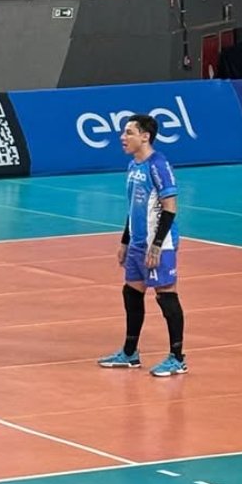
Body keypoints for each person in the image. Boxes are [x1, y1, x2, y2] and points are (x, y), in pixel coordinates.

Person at [98, 114, 188, 378]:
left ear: (145, 136)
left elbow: (170, 208)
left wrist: (157, 245)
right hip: (137, 243)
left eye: (128, 133)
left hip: (159, 244)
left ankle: (177, 358)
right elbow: (133, 208)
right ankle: (129, 353)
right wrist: (125, 241)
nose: (122, 138)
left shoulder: (158, 165)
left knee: (166, 296)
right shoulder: (132, 166)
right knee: (131, 293)